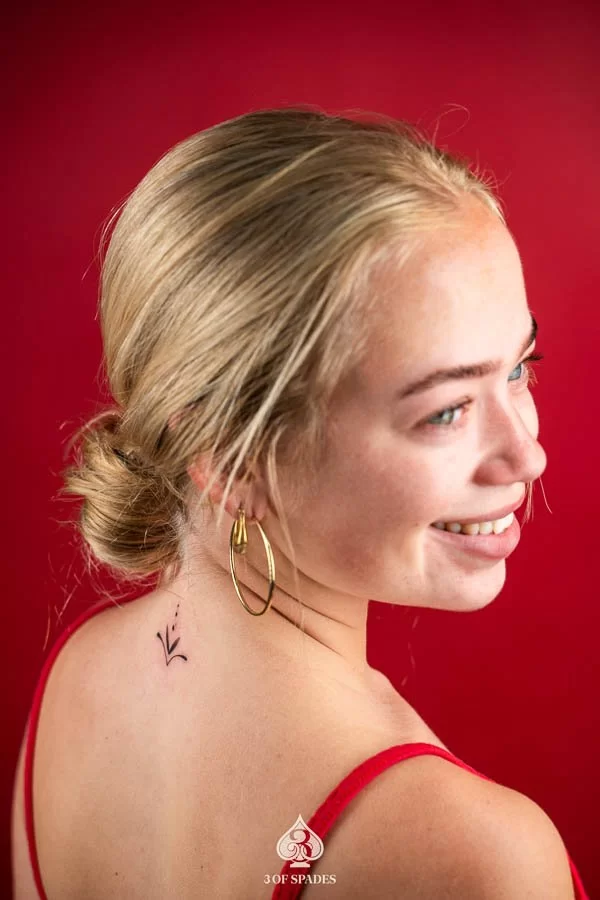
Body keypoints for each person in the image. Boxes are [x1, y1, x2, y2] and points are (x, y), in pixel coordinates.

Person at [12, 106, 588, 899]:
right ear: (232, 459)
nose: (528, 454)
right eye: (446, 411)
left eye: (519, 369)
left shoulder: (74, 679)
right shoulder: (474, 857)